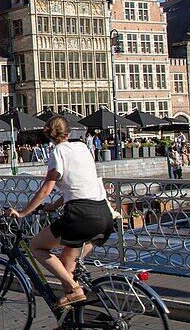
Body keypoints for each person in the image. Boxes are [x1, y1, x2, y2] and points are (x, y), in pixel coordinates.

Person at [8, 115, 114, 308]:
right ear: (69, 131)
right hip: (104, 214)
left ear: (48, 135)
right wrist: (55, 206)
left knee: (37, 246)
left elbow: (46, 189)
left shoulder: (58, 152)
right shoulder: (83, 147)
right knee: (67, 263)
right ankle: (76, 325)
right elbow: (78, 185)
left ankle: (75, 289)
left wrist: (23, 212)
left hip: (81, 215)